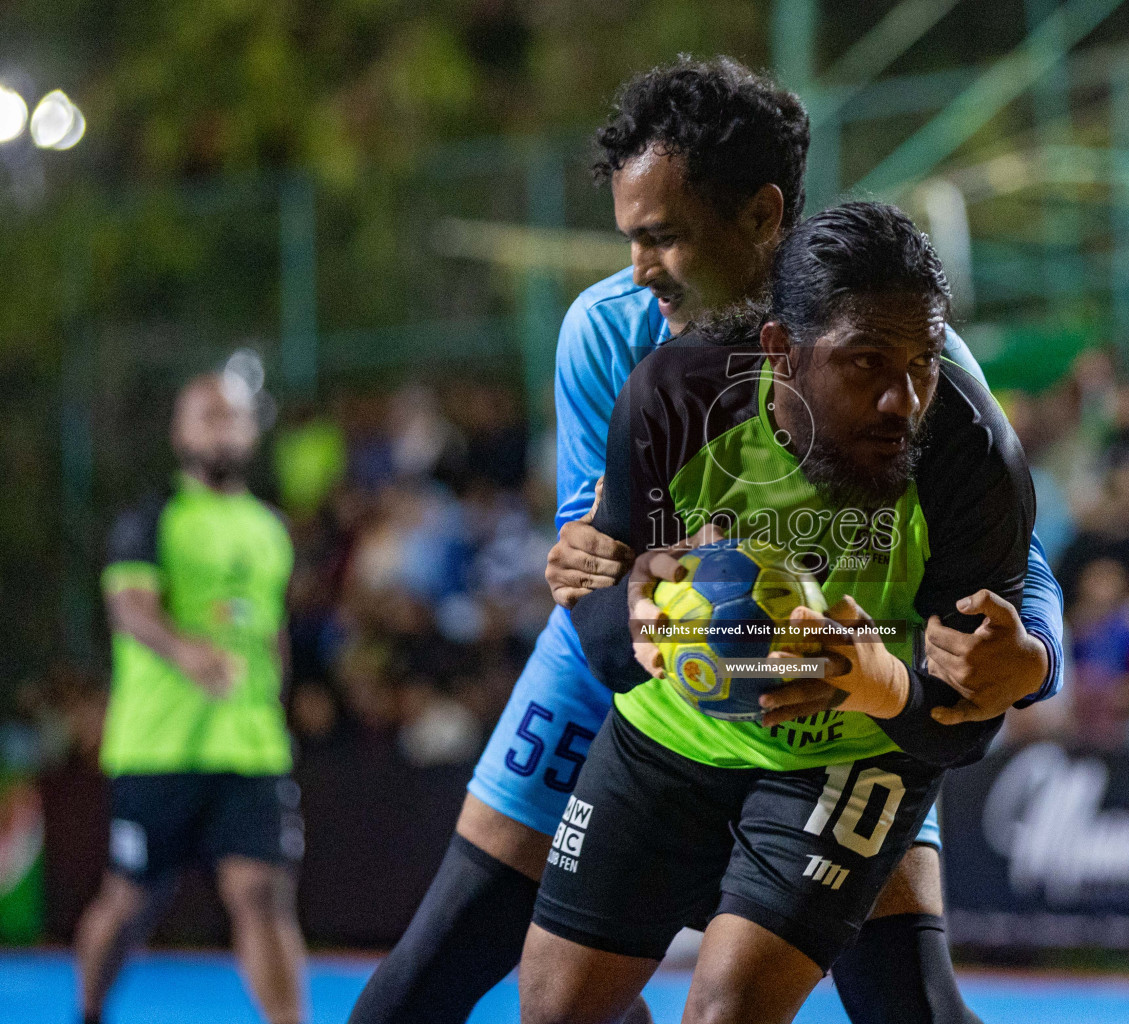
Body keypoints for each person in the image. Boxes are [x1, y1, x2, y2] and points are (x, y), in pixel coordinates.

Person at [347, 57, 1063, 1024]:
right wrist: (640, 617)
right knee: (439, 973)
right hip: (640, 678)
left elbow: (1005, 564)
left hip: (847, 676)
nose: (639, 271)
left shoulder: (900, 352)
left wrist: (1027, 660)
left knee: (906, 1004)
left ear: (764, 218)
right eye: (630, 239)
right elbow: (596, 569)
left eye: (665, 238)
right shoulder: (612, 337)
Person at [521, 200, 1043, 1024]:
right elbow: (599, 599)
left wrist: (879, 682)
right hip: (669, 738)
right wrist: (637, 618)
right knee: (554, 1012)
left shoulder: (972, 458)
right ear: (780, 352)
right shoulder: (675, 398)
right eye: (866, 362)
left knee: (728, 1014)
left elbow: (968, 725)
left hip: (854, 752)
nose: (902, 400)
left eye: (924, 361)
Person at [76, 375, 308, 1024]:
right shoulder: (151, 520)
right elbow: (129, 608)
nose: (220, 429)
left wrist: (278, 709)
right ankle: (88, 1012)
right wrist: (189, 654)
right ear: (180, 434)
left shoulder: (270, 530)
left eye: (231, 417)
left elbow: (273, 631)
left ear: (251, 432)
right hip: (158, 745)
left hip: (251, 748)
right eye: (205, 417)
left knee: (260, 892)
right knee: (131, 902)